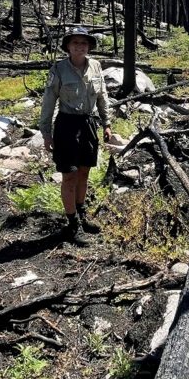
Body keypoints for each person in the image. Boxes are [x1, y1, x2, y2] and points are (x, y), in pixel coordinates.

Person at [39, 27, 113, 239]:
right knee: (69, 176)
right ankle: (72, 224)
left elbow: (102, 97)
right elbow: (48, 102)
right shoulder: (59, 69)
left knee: (84, 172)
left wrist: (107, 123)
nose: (79, 46)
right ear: (68, 47)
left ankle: (82, 215)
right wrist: (46, 132)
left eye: (84, 43)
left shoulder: (96, 66)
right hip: (66, 126)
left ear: (89, 46)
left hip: (88, 124)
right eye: (75, 43)